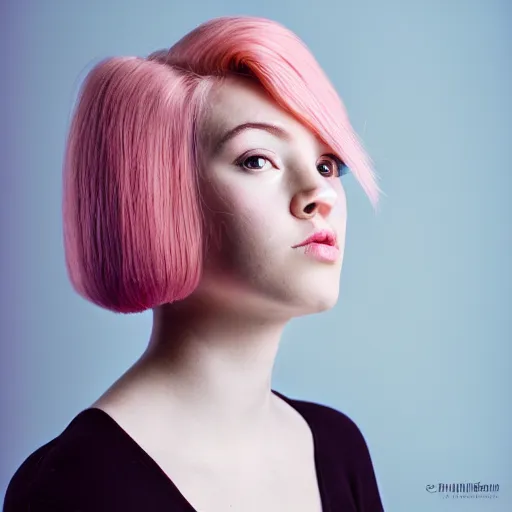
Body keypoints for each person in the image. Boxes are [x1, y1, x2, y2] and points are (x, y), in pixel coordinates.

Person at [4, 15, 384, 512]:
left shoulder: (337, 448)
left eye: (328, 164)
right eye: (257, 159)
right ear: (160, 196)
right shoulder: (73, 488)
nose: (320, 193)